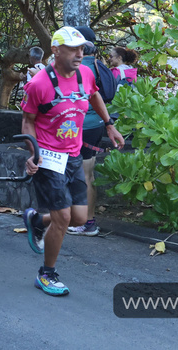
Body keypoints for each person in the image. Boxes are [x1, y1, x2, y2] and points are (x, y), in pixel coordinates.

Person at [19, 26, 124, 296]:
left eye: (82, 49)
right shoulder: (39, 84)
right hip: (49, 157)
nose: (80, 54)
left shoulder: (86, 74)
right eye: (73, 49)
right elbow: (27, 121)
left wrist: (109, 125)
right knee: (64, 217)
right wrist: (33, 153)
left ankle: (36, 221)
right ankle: (47, 273)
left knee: (78, 217)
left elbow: (94, 94)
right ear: (55, 50)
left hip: (73, 155)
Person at [68, 26, 107, 237]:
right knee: (88, 174)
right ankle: (86, 220)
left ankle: (86, 222)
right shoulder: (97, 65)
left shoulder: (79, 68)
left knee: (81, 176)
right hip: (96, 124)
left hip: (81, 126)